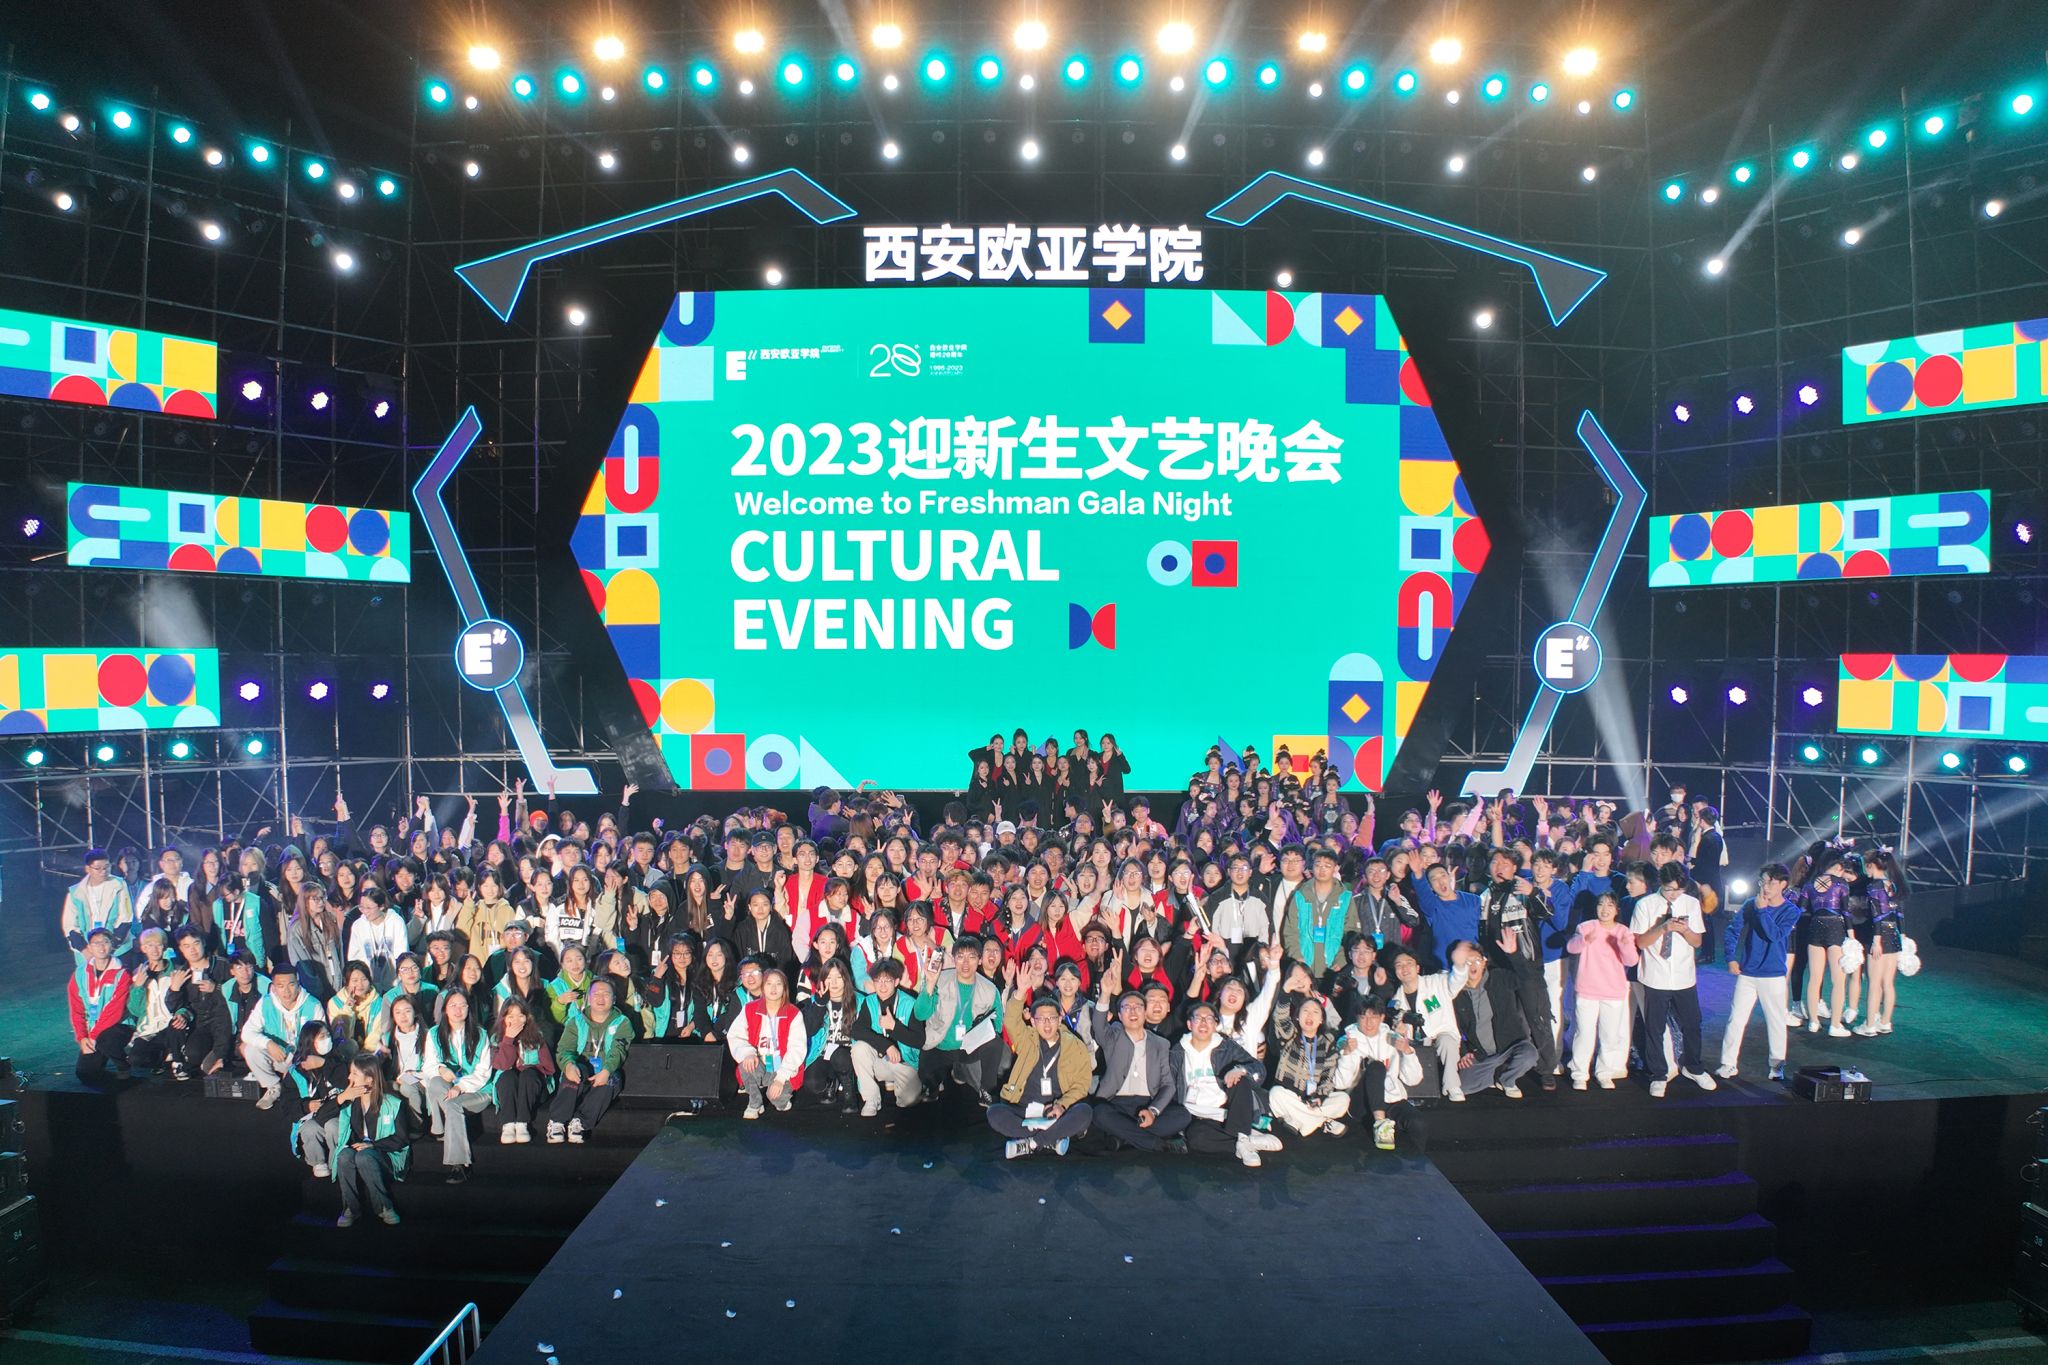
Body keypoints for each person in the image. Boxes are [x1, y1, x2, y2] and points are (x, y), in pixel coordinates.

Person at [988, 962, 1094, 1158]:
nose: (1046, 1024)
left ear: (1060, 1019)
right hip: (1026, 1109)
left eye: (1051, 1018)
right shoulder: (1027, 1039)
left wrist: (1062, 1105)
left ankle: (1031, 1143)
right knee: (994, 1113)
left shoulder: (1075, 1045)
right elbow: (1011, 1020)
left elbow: (1082, 1084)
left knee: (1084, 1111)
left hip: (1056, 1111)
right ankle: (1051, 1139)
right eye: (1041, 1019)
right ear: (1032, 1021)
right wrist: (1020, 992)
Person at [1632, 862, 1717, 1097]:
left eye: (1679, 889)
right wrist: (1663, 928)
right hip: (1655, 975)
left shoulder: (1690, 903)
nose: (1674, 894)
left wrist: (1685, 930)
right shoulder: (1645, 905)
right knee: (1655, 1027)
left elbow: (1697, 942)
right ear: (1660, 883)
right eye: (1669, 889)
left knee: (1692, 1023)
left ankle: (1694, 1067)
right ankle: (1658, 1074)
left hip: (1683, 975)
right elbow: (1640, 942)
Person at [1718, 864, 1801, 1082]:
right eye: (1762, 881)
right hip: (1747, 973)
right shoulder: (1750, 904)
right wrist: (1731, 958)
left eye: (1771, 882)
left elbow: (1775, 935)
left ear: (1783, 884)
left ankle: (1777, 1065)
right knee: (1736, 1020)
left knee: (1776, 1021)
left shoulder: (1791, 911)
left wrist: (1762, 911)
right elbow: (1732, 930)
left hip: (1773, 975)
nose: (1765, 887)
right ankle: (1728, 1063)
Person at [1171, 999, 1273, 1167]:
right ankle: (1247, 1141)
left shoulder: (1226, 1047)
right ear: (1189, 1024)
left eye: (1209, 1019)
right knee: (1196, 1138)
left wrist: (1240, 1069)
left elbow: (1259, 1069)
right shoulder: (1177, 1051)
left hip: (1228, 1110)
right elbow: (1169, 1085)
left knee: (1239, 1079)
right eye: (1198, 1018)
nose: (1204, 1023)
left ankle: (1242, 1138)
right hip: (1197, 1113)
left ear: (1215, 1025)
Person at [326, 1053, 419, 1227]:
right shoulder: (349, 1102)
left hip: (385, 1155)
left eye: (354, 1073)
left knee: (365, 1156)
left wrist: (372, 1145)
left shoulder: (393, 1103)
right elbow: (321, 1116)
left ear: (369, 1078)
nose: (349, 1077)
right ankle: (350, 1209)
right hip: (358, 1150)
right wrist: (342, 1097)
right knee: (344, 1155)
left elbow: (401, 1139)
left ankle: (385, 1207)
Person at [913, 935, 1005, 1102]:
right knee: (926, 1077)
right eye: (960, 956)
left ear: (979, 960)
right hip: (940, 1043)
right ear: (954, 959)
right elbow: (920, 1014)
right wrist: (930, 984)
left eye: (972, 957)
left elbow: (997, 1024)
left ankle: (986, 1091)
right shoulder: (939, 979)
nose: (965, 963)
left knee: (995, 1043)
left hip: (969, 1047)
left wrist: (983, 1032)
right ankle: (933, 1085)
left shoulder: (990, 989)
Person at [1447, 943, 1541, 1099]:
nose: (1473, 966)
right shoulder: (1454, 993)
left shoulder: (1498, 977)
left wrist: (1513, 954)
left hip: (1510, 1046)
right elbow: (1453, 1026)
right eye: (1467, 962)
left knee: (1529, 1055)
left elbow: (1526, 977)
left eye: (1477, 960)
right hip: (1482, 1054)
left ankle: (1507, 1080)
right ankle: (1497, 1072)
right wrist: (1463, 1052)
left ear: (1484, 962)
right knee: (1463, 1087)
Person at [1566, 893, 1638, 1090]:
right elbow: (1571, 947)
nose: (1605, 909)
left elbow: (1632, 961)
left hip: (1613, 991)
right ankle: (1580, 1074)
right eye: (1601, 905)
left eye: (1610, 905)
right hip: (1587, 989)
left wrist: (1623, 945)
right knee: (1584, 1033)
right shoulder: (1586, 927)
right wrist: (1584, 941)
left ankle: (1604, 1072)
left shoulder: (1623, 931)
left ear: (1617, 910)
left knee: (1609, 1036)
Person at [548, 976, 632, 1143]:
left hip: (605, 1070)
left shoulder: (622, 1022)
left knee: (612, 1079)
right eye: (596, 994)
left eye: (606, 994)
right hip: (582, 1069)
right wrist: (568, 1065)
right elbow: (564, 1050)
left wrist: (606, 1070)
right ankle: (557, 1121)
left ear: (614, 999)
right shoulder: (576, 1021)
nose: (601, 998)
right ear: (588, 998)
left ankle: (579, 1122)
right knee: (574, 1071)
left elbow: (618, 1051)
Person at [423, 989, 496, 1181]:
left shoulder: (480, 1034)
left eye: (462, 1005)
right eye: (453, 1005)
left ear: (468, 1008)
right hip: (449, 1086)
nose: (458, 1010)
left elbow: (483, 1072)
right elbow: (428, 1065)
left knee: (452, 1104)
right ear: (445, 1009)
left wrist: (460, 1086)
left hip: (477, 1090)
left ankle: (460, 1164)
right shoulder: (434, 1033)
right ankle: (440, 1128)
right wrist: (440, 1069)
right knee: (435, 1083)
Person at [1267, 994, 1361, 1137]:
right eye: (1305, 1011)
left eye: (1315, 1012)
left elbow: (1328, 1076)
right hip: (1290, 1095)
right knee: (1275, 1094)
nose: (1310, 1015)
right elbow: (1280, 1019)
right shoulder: (1290, 1035)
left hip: (1313, 1099)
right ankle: (1322, 1122)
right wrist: (1285, 993)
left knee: (1343, 1099)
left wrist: (1320, 1097)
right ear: (1297, 1017)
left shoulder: (1327, 1041)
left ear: (1321, 1019)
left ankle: (1298, 1119)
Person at [1342, 1001, 1424, 1151]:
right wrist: (1346, 1053)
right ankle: (1380, 1122)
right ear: (1357, 1018)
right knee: (1376, 1067)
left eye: (1373, 1017)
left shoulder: (1393, 1038)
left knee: (1418, 1122)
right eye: (1363, 1017)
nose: (1368, 1023)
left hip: (1390, 1098)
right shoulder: (1347, 1040)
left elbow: (1413, 1080)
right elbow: (1341, 1083)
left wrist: (1407, 1051)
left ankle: (1417, 1162)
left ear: (1381, 1017)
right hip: (1361, 1102)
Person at [242, 963, 325, 1109]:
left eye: (291, 985)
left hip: (304, 1059)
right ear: (273, 987)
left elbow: (321, 1041)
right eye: (280, 986)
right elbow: (247, 1032)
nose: (286, 991)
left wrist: (297, 1064)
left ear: (298, 983)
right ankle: (273, 1086)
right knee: (250, 1049)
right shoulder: (266, 1003)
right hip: (279, 1056)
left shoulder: (313, 1005)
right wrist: (268, 1044)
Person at [728, 967, 808, 1118]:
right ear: (763, 987)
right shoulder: (750, 1009)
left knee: (777, 1099)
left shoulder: (793, 1013)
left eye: (778, 984)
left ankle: (780, 1098)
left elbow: (797, 1048)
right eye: (769, 983)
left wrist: (780, 1078)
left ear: (784, 988)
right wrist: (748, 1053)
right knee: (745, 1064)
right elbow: (735, 1036)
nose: (773, 988)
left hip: (782, 1067)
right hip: (759, 1062)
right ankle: (755, 1103)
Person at [849, 958, 924, 1117]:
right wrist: (886, 1045)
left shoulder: (910, 1003)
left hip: (905, 1063)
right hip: (881, 1061)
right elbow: (857, 1030)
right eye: (878, 981)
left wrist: (894, 1027)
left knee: (908, 1100)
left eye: (887, 981)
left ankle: (904, 1085)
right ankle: (871, 1099)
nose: (882, 986)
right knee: (858, 1048)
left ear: (896, 982)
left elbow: (919, 1040)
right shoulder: (869, 1001)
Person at [69, 927, 133, 1083]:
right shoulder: (80, 973)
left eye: (105, 942)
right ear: (89, 947)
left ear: (112, 945)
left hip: (119, 1024)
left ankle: (123, 1065)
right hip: (93, 1029)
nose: (101, 946)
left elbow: (115, 1011)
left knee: (105, 1041)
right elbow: (76, 1009)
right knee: (84, 1073)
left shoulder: (122, 973)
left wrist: (93, 1036)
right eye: (96, 943)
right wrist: (82, 1038)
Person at [489, 997, 557, 1144]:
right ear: (503, 1018)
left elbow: (549, 1068)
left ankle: (522, 1123)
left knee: (528, 1074)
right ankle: (508, 1124)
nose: (516, 1020)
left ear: (527, 1017)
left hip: (532, 1086)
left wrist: (527, 1068)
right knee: (507, 1076)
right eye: (511, 1016)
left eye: (520, 1016)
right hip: (509, 1089)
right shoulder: (496, 1038)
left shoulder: (537, 1036)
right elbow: (501, 1065)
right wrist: (508, 1039)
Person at [62, 850, 134, 962]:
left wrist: (111, 946)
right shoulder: (75, 892)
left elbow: (125, 918)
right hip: (87, 952)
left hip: (117, 949)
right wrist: (85, 950)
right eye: (98, 868)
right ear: (88, 869)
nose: (103, 871)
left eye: (106, 867)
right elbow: (70, 926)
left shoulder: (119, 885)